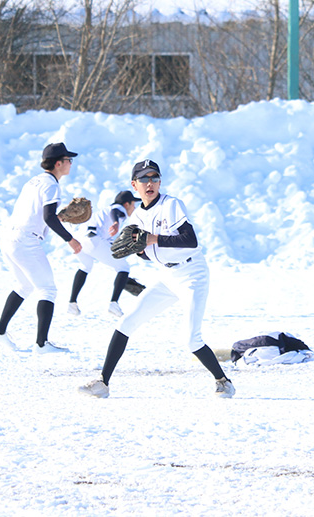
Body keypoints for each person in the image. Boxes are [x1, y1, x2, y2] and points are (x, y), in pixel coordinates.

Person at [78, 159, 235, 398]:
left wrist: (151, 239)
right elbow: (146, 252)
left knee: (191, 339)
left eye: (154, 178)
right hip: (167, 276)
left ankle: (223, 381)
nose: (149, 183)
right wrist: (140, 250)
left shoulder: (171, 204)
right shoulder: (138, 216)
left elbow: (189, 240)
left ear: (159, 182)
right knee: (126, 323)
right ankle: (103, 383)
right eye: (144, 178)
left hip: (192, 274)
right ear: (134, 185)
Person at [0, 142, 82, 353]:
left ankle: (0, 332)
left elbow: (41, 216)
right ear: (58, 163)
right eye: (68, 159)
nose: (71, 162)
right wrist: (70, 239)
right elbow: (48, 217)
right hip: (24, 241)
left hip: (8, 237)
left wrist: (59, 218)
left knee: (25, 285)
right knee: (48, 289)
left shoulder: (34, 181)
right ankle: (42, 344)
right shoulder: (51, 185)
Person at [67, 190, 141, 318]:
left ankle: (72, 304)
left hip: (80, 239)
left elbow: (109, 247)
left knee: (86, 266)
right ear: (127, 204)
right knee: (123, 267)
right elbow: (116, 212)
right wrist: (116, 222)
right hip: (93, 240)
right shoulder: (118, 210)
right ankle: (114, 304)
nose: (134, 208)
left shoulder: (103, 213)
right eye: (134, 204)